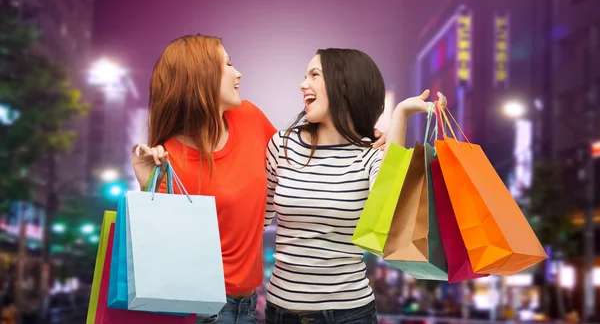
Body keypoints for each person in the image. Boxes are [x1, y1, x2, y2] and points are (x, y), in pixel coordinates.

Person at [132, 35, 385, 324]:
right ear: (200, 77)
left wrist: (366, 136)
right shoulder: (169, 158)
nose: (238, 72)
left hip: (252, 306)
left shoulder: (249, 118)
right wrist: (145, 186)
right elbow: (159, 244)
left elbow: (299, 167)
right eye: (227, 64)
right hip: (203, 306)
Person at [263, 48, 446, 324]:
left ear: (344, 85)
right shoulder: (282, 145)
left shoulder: (369, 154)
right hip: (279, 312)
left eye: (314, 75)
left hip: (348, 314)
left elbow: (389, 206)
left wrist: (401, 115)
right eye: (305, 76)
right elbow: (259, 219)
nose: (303, 84)